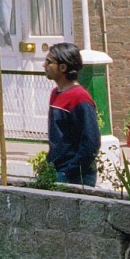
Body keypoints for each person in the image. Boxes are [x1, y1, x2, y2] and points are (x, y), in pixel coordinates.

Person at [44, 41, 101, 186]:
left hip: (75, 175)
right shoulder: (55, 94)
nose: (44, 66)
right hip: (58, 170)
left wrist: (70, 170)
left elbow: (91, 142)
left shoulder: (80, 98)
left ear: (63, 67)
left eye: (49, 62)